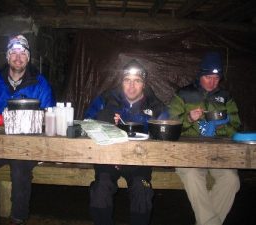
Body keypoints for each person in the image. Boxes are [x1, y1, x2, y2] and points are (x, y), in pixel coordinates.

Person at [0, 35, 55, 225]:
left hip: (26, 144)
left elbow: (50, 116)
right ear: (7, 57)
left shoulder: (40, 84)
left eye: (23, 53)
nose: (18, 57)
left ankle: (18, 218)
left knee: (20, 170)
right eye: (13, 52)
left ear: (28, 58)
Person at [84, 59, 167, 225]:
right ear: (121, 81)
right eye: (127, 80)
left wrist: (142, 124)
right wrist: (103, 119)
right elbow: (87, 122)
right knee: (101, 188)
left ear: (144, 84)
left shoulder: (155, 105)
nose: (131, 86)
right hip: (108, 158)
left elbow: (166, 131)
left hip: (139, 161)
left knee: (142, 189)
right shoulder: (106, 99)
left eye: (137, 81)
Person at [168, 52, 241, 225]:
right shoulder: (184, 94)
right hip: (189, 153)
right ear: (201, 75)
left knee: (232, 180)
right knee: (193, 176)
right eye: (208, 77)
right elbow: (170, 124)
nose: (212, 82)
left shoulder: (225, 97)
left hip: (219, 153)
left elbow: (236, 126)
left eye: (216, 78)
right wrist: (189, 119)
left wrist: (223, 125)